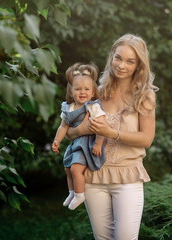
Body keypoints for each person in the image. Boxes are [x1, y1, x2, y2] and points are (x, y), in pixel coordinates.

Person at [67, 34, 158, 239]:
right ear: (111, 57)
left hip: (128, 177)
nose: (122, 65)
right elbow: (70, 133)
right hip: (93, 177)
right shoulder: (96, 92)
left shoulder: (145, 95)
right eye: (118, 58)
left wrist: (111, 133)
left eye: (130, 61)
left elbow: (146, 139)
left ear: (138, 65)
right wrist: (83, 129)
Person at [52, 62, 106, 210]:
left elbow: (102, 127)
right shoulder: (68, 108)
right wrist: (57, 140)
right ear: (71, 92)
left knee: (76, 169)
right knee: (68, 169)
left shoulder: (93, 107)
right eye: (78, 89)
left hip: (87, 145)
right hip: (75, 144)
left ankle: (80, 195)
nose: (82, 92)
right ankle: (72, 192)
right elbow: (63, 126)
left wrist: (98, 144)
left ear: (93, 92)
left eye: (86, 89)